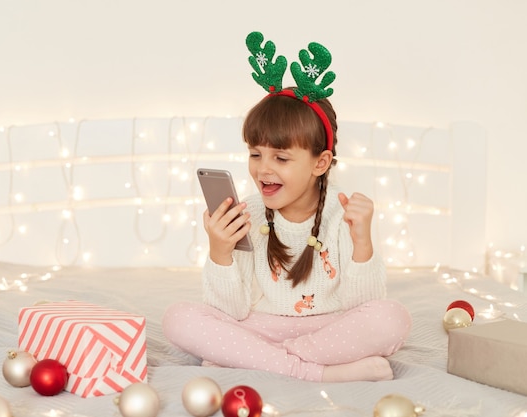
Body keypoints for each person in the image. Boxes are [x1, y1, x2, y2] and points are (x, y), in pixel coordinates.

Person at [162, 33, 411, 383]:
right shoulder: (247, 212)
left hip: (327, 331)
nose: (263, 169)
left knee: (393, 318)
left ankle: (255, 361)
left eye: (280, 157)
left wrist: (362, 245)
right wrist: (220, 251)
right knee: (178, 317)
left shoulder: (344, 213)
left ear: (320, 163)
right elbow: (230, 311)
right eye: (255, 154)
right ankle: (316, 374)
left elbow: (362, 308)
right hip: (258, 327)